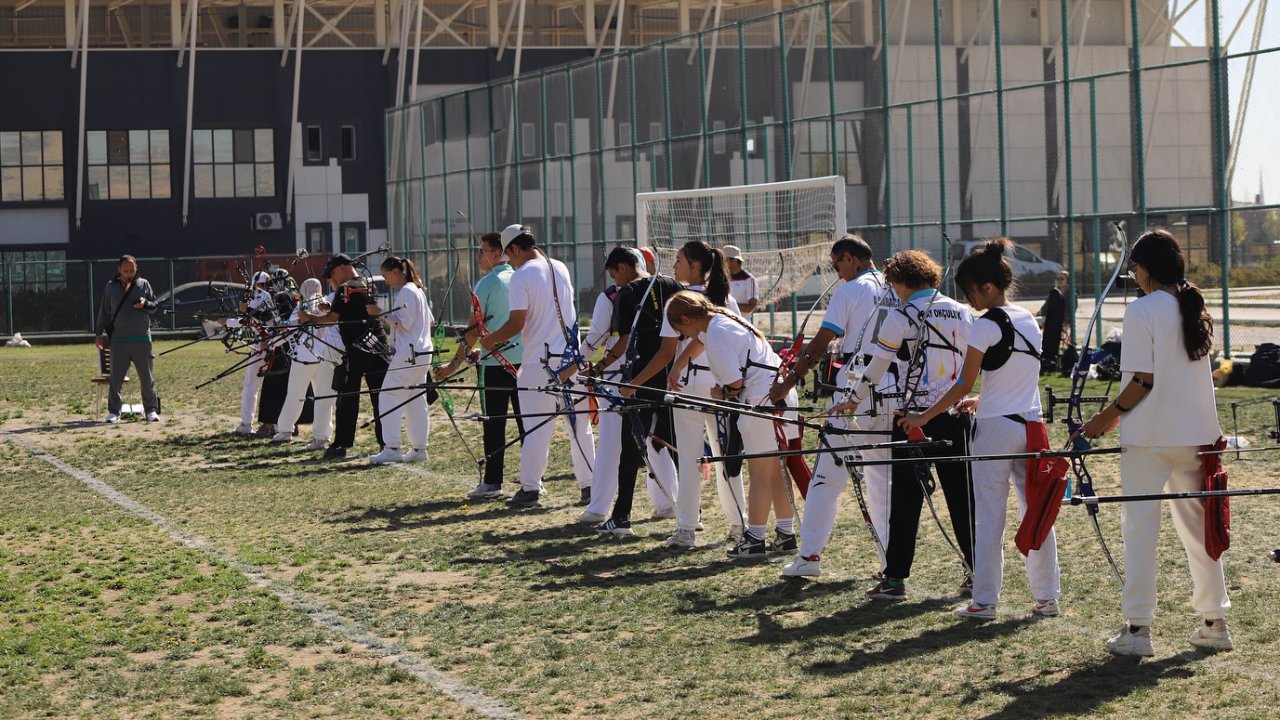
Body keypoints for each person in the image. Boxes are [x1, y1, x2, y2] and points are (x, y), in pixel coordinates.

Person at [1080, 228, 1233, 656]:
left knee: (1140, 531)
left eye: (1135, 268)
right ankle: (1214, 622)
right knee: (1200, 531)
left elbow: (1142, 381)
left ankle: (1138, 630)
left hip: (1150, 438)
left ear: (1145, 270)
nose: (1134, 275)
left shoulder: (1144, 309)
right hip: (1196, 437)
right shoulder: (1193, 307)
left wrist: (1103, 419)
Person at [900, 239, 1060, 621]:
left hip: (995, 432)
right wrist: (982, 400)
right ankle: (1047, 597)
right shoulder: (1027, 319)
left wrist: (923, 417)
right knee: (1036, 511)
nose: (969, 301)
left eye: (970, 292)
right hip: (1031, 425)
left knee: (989, 517)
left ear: (987, 287)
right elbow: (1014, 377)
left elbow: (961, 384)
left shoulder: (985, 324)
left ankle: (984, 601)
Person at [830, 249, 975, 599]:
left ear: (901, 281)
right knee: (963, 498)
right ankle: (978, 573)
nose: (891, 290)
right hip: (955, 416)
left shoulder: (900, 314)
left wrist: (852, 398)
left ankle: (895, 580)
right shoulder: (962, 312)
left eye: (892, 283)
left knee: (907, 501)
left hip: (913, 419)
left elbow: (877, 366)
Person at [772, 234, 899, 578]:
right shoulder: (896, 288)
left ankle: (809, 558)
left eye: (836, 264)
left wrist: (787, 382)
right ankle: (892, 564)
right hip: (891, 391)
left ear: (849, 258)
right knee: (881, 481)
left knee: (826, 477)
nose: (836, 272)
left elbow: (819, 344)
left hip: (853, 394)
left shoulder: (851, 289)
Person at [665, 291, 801, 558]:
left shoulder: (716, 332)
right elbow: (701, 341)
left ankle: (754, 539)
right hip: (779, 395)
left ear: (685, 319)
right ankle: (786, 535)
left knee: (761, 473)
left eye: (682, 331)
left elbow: (734, 384)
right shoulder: (722, 318)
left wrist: (720, 394)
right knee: (776, 471)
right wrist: (681, 363)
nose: (686, 338)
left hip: (761, 400)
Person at [479, 224, 595, 508]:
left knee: (535, 429)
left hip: (538, 364)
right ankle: (591, 486)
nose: (511, 261)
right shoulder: (560, 267)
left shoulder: (522, 276)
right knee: (579, 427)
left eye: (510, 255)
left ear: (515, 249)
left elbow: (517, 323)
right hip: (570, 360)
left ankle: (530, 488)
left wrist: (488, 340)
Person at [648, 241, 747, 549]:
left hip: (690, 386)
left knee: (690, 457)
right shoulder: (726, 298)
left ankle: (687, 527)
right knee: (725, 455)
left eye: (678, 260)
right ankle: (740, 524)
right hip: (723, 385)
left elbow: (668, 350)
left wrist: (676, 366)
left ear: (693, 265)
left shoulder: (679, 300)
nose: (674, 266)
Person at [582, 246, 681, 534]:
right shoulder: (670, 284)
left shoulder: (626, 294)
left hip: (639, 380)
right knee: (673, 444)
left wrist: (600, 367)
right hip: (669, 376)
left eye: (614, 273)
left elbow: (624, 342)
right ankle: (689, 511)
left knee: (630, 448)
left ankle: (622, 516)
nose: (615, 280)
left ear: (624, 267)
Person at [436, 231, 524, 498]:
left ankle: (492, 483)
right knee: (527, 423)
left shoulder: (486, 284)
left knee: (493, 423)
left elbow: (472, 331)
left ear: (497, 254)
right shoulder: (520, 278)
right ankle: (534, 481)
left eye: (482, 250)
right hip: (524, 363)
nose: (477, 256)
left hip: (497, 366)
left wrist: (451, 368)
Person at [300, 254, 389, 460]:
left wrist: (309, 318)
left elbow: (332, 319)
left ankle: (340, 444)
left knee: (347, 397)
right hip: (377, 345)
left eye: (332, 274)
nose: (332, 279)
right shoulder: (365, 284)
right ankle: (387, 443)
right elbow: (353, 312)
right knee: (380, 397)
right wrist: (329, 309)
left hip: (358, 349)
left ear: (342, 267)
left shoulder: (346, 286)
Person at [367, 255, 431, 464]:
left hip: (409, 353)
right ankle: (419, 449)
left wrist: (380, 313)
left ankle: (392, 447)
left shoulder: (407, 291)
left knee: (388, 396)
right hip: (422, 352)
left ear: (395, 272)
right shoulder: (418, 289)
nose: (386, 281)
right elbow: (428, 320)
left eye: (386, 276)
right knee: (415, 399)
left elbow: (404, 323)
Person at [272, 277, 340, 450]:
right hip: (325, 356)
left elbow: (290, 326)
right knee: (324, 397)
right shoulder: (328, 301)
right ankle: (322, 436)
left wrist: (273, 341)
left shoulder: (304, 306)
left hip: (305, 356)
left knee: (296, 394)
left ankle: (285, 430)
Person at [94, 254, 161, 423]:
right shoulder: (111, 287)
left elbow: (155, 307)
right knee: (116, 378)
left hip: (141, 338)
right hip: (119, 339)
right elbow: (104, 311)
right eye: (126, 270)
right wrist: (98, 333)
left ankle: (151, 410)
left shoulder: (143, 284)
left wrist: (145, 304)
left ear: (136, 269)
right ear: (119, 270)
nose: (129, 273)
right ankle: (114, 411)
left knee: (147, 377)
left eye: (132, 270)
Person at [217, 271, 277, 436]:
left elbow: (253, 320)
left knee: (251, 387)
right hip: (275, 349)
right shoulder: (274, 299)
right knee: (275, 388)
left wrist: (228, 322)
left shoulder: (262, 299)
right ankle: (279, 424)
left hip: (263, 349)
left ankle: (246, 424)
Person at [1038, 270, 1070, 373]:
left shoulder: (1069, 295)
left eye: (1062, 279)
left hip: (1061, 322)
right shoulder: (1054, 293)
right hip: (1050, 321)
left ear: (1067, 281)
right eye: (1057, 279)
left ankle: (1049, 358)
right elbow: (1044, 309)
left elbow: (1069, 312)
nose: (1059, 281)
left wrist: (1065, 322)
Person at [723, 245, 759, 316]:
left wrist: (729, 306)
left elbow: (750, 307)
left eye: (725, 260)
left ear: (734, 260)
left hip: (741, 325)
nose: (723, 263)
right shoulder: (722, 278)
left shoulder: (749, 279)